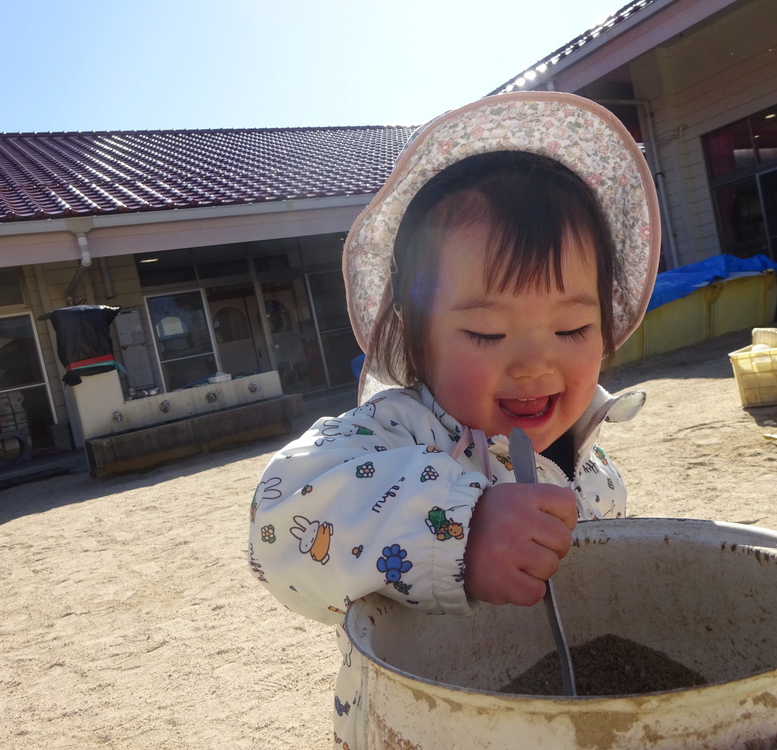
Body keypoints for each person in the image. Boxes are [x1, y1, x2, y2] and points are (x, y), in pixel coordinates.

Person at [248, 91, 661, 747]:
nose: (533, 364)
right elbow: (282, 514)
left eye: (572, 327)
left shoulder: (595, 469)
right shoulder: (397, 434)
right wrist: (464, 530)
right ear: (418, 342)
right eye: (487, 334)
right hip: (422, 723)